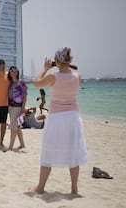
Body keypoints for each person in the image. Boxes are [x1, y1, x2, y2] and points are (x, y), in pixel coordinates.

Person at [31, 47, 87, 195]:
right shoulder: (77, 76)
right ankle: (74, 189)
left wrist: (45, 69)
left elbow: (36, 82)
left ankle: (40, 188)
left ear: (57, 61)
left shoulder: (53, 77)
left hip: (56, 118)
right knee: (73, 153)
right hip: (73, 118)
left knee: (48, 153)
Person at [5, 66, 27, 151]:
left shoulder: (21, 82)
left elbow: (25, 96)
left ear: (17, 72)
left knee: (13, 126)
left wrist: (23, 108)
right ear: (10, 73)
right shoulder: (10, 83)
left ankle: (10, 146)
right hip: (10, 107)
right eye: (11, 71)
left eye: (15, 71)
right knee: (17, 126)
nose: (13, 72)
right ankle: (22, 144)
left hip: (18, 107)